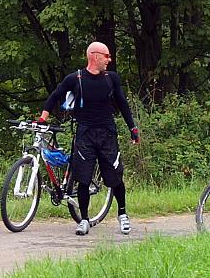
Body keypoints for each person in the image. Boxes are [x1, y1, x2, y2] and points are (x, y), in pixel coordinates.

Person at [38, 41, 140, 236]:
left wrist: (132, 128)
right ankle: (84, 219)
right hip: (84, 134)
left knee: (115, 177)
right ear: (95, 56)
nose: (109, 60)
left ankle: (122, 214)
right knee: (82, 179)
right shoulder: (75, 78)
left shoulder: (111, 79)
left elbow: (123, 103)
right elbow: (55, 96)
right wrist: (43, 118)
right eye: (106, 56)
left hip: (107, 134)